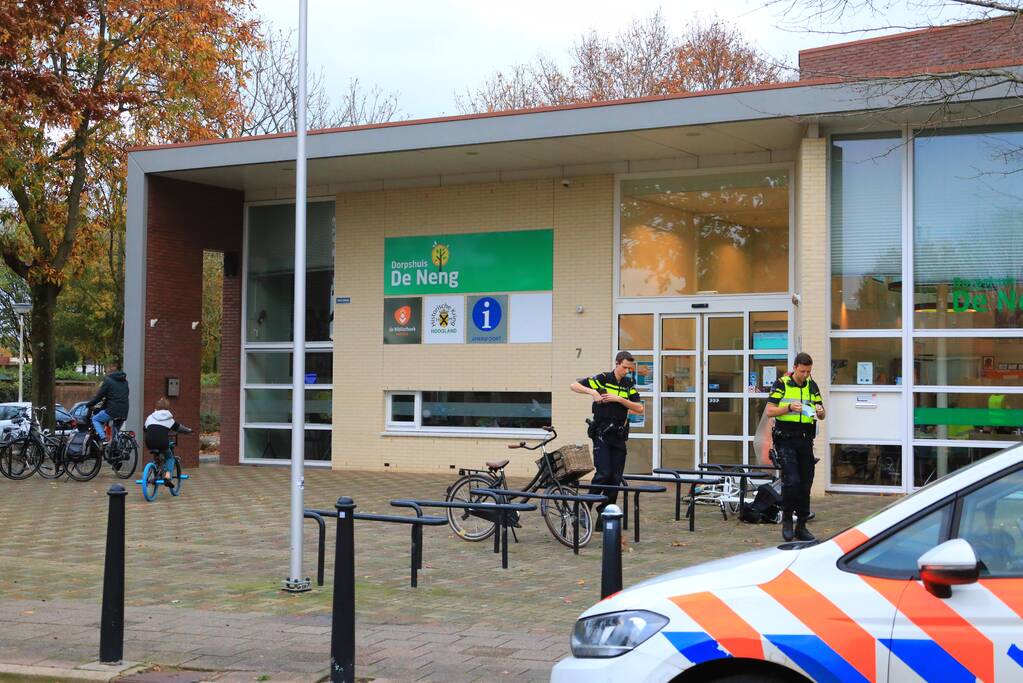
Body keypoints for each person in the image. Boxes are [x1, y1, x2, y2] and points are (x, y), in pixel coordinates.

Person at [570, 351, 645, 519]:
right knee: (604, 473)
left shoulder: (628, 384)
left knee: (615, 479)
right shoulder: (603, 378)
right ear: (617, 363)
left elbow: (639, 408)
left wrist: (619, 399)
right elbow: (574, 385)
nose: (627, 371)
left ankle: (605, 516)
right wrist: (593, 393)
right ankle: (584, 509)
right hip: (602, 434)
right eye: (625, 367)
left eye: (629, 369)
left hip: (618, 436)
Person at [765, 352, 825, 542]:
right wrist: (789, 408)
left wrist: (821, 411)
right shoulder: (782, 384)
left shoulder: (812, 385)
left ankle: (802, 525)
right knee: (792, 480)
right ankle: (788, 519)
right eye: (802, 371)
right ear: (795, 367)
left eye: (808, 371)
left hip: (806, 439)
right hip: (786, 439)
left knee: (806, 482)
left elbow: (821, 414)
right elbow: (769, 411)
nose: (805, 375)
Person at [144, 397, 192, 489]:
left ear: (156, 408)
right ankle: (167, 477)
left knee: (156, 453)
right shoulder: (169, 419)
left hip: (149, 442)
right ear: (167, 408)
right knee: (170, 457)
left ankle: (153, 471)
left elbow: (145, 429)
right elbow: (179, 428)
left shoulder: (150, 417)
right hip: (162, 442)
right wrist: (189, 430)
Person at [86, 361, 130, 445]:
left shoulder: (108, 380)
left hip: (112, 410)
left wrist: (89, 404)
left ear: (112, 368)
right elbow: (124, 395)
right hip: (124, 410)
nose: (106, 370)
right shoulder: (125, 381)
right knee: (115, 433)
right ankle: (114, 449)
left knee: (95, 419)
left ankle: (103, 438)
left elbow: (99, 397)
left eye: (106, 368)